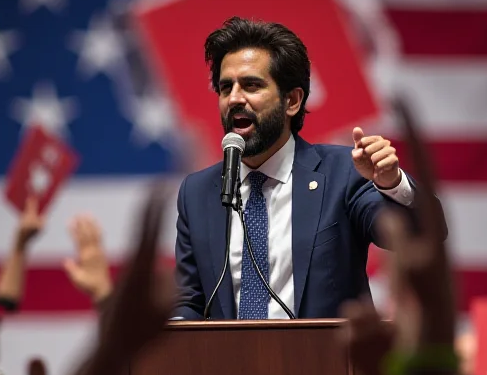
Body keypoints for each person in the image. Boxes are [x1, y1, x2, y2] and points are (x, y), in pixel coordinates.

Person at [174, 16, 442, 320]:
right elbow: (189, 301)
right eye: (225, 88)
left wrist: (392, 182)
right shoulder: (197, 192)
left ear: (292, 101)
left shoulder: (342, 173)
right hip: (230, 366)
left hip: (324, 364)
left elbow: (422, 235)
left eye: (251, 85)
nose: (234, 98)